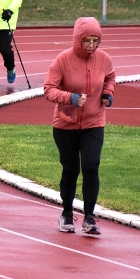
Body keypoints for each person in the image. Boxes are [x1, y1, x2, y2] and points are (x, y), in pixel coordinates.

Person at [44, 17, 115, 235]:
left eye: (96, 41)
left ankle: (90, 217)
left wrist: (107, 94)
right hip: (66, 125)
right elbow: (48, 89)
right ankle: (66, 213)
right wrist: (71, 98)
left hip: (94, 123)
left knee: (91, 166)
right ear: (78, 39)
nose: (92, 45)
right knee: (71, 169)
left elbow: (110, 78)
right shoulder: (63, 60)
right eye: (87, 41)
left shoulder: (103, 59)